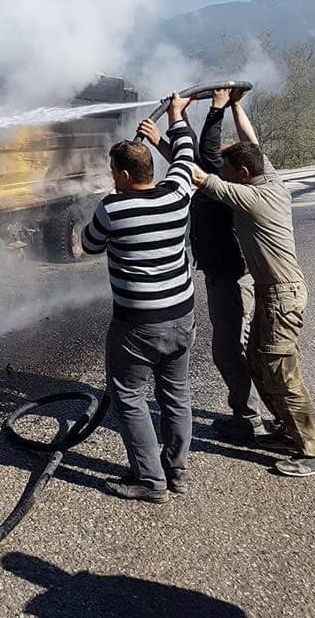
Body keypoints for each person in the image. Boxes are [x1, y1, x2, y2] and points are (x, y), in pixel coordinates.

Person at [191, 92, 315, 476]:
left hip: (282, 297)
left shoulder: (249, 197)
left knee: (282, 373)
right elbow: (252, 144)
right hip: (274, 294)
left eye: (228, 170)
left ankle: (312, 449)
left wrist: (205, 113)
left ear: (242, 175)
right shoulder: (269, 177)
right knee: (261, 365)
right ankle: (286, 429)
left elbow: (199, 173)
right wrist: (234, 106)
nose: (224, 173)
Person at [81, 92, 195, 503]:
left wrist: (104, 210)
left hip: (137, 326)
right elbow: (185, 156)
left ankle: (150, 481)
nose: (111, 177)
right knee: (176, 395)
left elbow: (88, 245)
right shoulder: (177, 194)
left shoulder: (113, 208)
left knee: (129, 397)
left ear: (127, 176)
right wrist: (177, 119)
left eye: (114, 171)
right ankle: (176, 471)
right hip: (182, 317)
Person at [145, 89, 266, 442]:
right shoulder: (227, 183)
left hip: (230, 279)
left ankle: (249, 419)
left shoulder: (227, 187)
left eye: (223, 163)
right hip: (224, 276)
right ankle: (253, 413)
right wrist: (234, 105)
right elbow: (192, 170)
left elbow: (206, 157)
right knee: (232, 349)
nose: (218, 164)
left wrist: (213, 110)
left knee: (231, 352)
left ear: (235, 172)